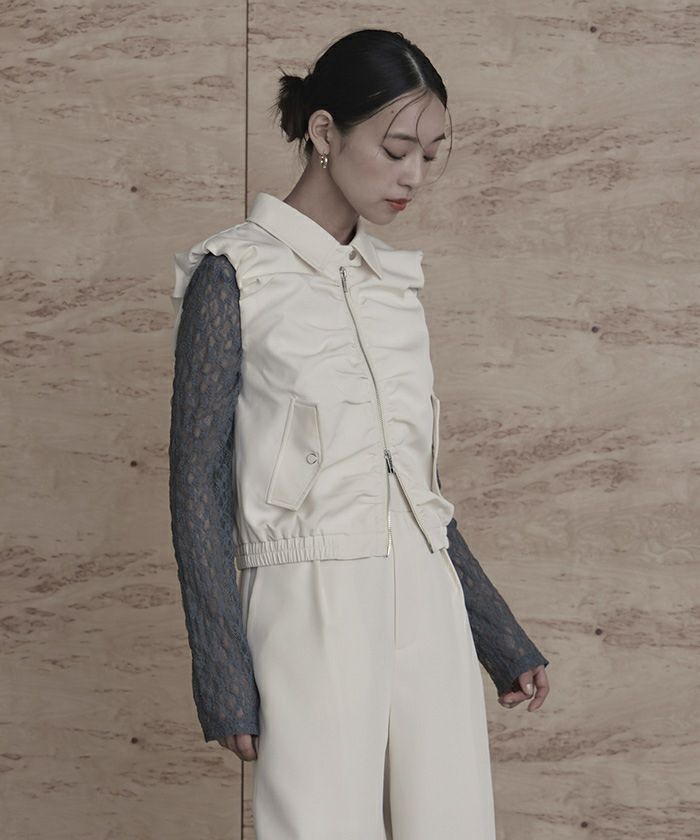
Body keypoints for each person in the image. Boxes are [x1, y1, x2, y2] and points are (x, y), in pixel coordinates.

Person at [169, 27, 550, 840]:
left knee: (453, 825)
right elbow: (196, 480)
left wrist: (498, 635)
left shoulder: (392, 287)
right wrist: (221, 665)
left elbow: (416, 492)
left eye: (431, 155)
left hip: (428, 602)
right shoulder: (236, 276)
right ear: (324, 132)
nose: (414, 175)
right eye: (397, 149)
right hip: (308, 600)